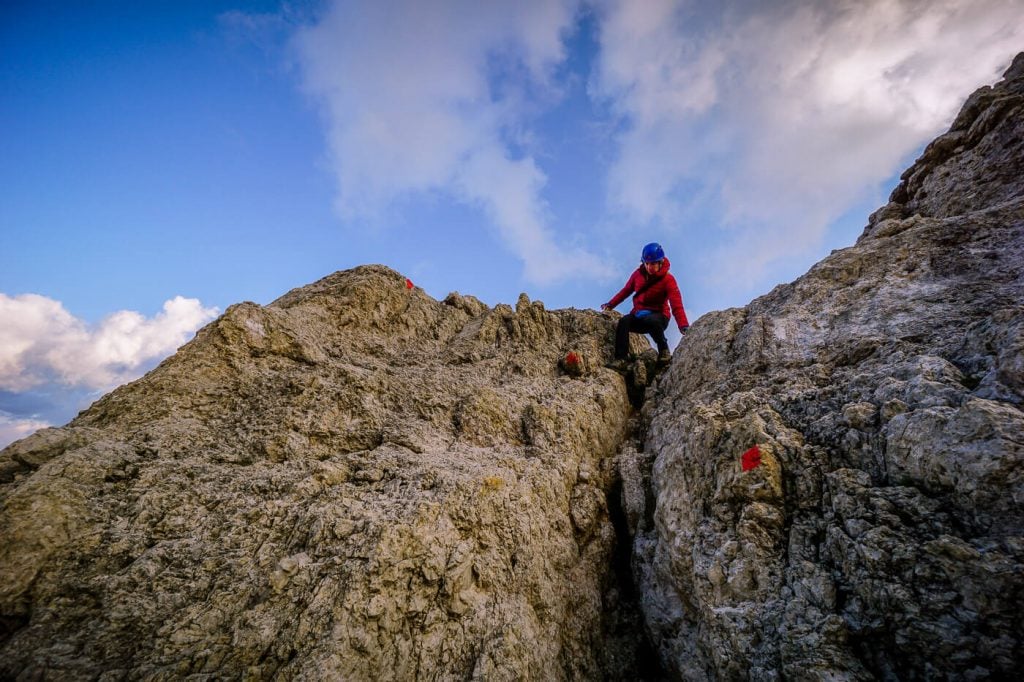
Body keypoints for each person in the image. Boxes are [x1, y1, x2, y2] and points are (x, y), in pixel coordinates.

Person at [601, 242, 689, 368]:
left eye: (652, 264)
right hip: (640, 315)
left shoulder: (668, 280)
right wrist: (610, 304)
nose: (649, 267)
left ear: (660, 262)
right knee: (624, 322)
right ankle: (621, 359)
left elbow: (676, 304)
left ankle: (663, 351)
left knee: (652, 321)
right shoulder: (638, 275)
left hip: (659, 317)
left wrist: (683, 325)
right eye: (646, 263)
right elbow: (626, 291)